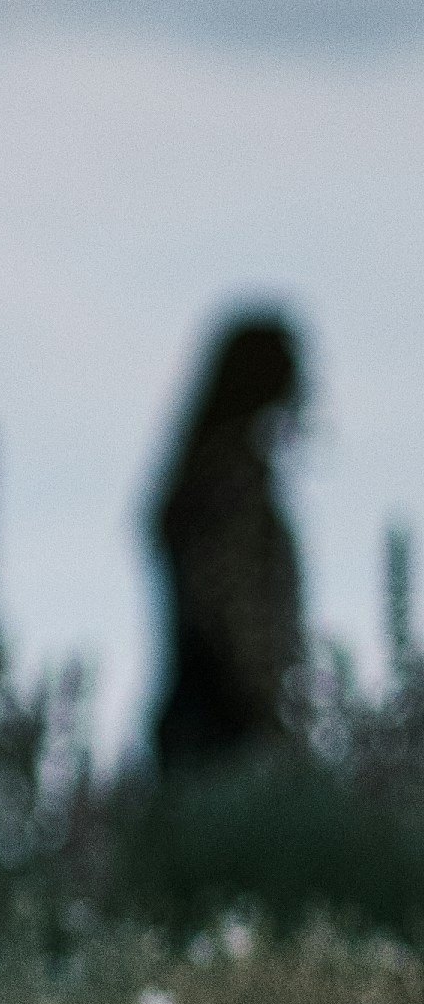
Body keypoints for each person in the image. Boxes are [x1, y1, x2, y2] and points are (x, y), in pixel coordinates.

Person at [149, 309, 306, 772]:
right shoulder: (234, 481)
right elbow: (232, 607)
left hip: (197, 717)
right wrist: (266, 710)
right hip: (224, 726)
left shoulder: (201, 477)